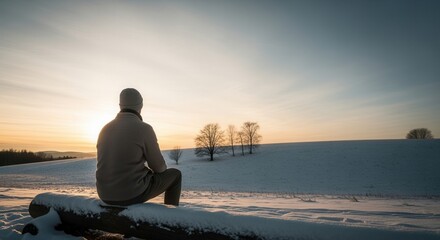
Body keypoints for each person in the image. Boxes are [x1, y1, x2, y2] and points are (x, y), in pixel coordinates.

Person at [96, 88, 181, 206]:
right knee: (175, 175)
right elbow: (159, 167)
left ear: (120, 105)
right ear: (140, 106)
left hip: (104, 194)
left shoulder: (105, 129)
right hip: (131, 194)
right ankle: (172, 218)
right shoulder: (144, 128)